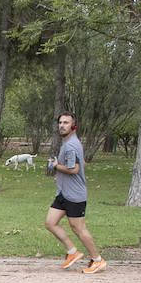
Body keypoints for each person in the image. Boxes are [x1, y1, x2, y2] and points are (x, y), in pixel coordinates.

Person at [45, 112, 105, 274]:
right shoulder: (71, 143)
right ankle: (72, 252)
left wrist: (56, 166)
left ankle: (97, 260)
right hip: (63, 193)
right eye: (60, 122)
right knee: (50, 223)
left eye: (66, 123)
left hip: (74, 195)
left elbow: (74, 169)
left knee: (78, 228)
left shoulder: (70, 145)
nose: (62, 125)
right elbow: (83, 162)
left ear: (73, 126)